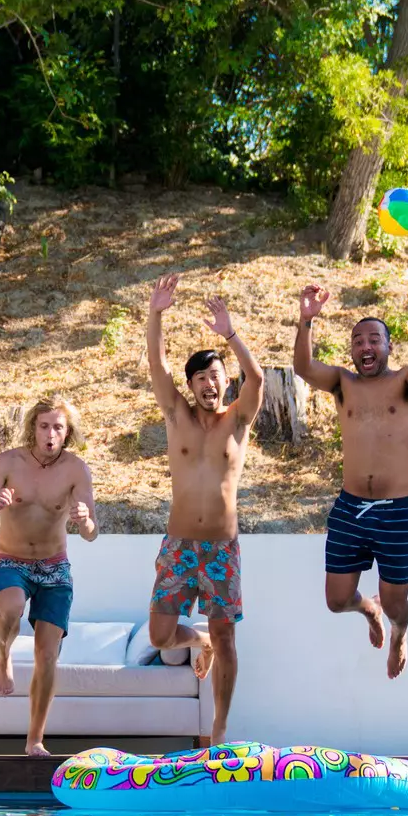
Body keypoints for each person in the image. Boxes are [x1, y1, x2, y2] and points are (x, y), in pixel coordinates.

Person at [293, 285, 408, 679]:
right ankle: (368, 608)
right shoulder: (344, 383)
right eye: (358, 341)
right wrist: (306, 319)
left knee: (397, 605)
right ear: (352, 351)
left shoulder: (406, 381)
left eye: (374, 338)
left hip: (399, 512)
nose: (365, 345)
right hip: (351, 507)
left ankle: (398, 630)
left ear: (389, 347)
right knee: (337, 600)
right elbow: (304, 368)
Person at [143, 273, 262, 747]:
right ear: (191, 386)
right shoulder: (178, 416)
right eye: (201, 378)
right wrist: (156, 314)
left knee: (229, 638)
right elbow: (156, 364)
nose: (210, 384)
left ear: (224, 381)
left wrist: (230, 334)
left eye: (216, 377)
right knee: (159, 636)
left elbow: (256, 377)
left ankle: (219, 728)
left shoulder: (239, 419)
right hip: (179, 546)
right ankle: (199, 642)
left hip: (221, 547)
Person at [0, 396, 99, 756]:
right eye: (44, 426)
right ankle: (3, 655)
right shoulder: (9, 462)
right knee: (11, 608)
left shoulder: (76, 470)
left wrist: (84, 518)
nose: (50, 434)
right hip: (13, 560)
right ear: (33, 428)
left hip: (55, 567)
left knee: (47, 654)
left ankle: (34, 740)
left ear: (67, 432)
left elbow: (91, 532)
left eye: (58, 427)